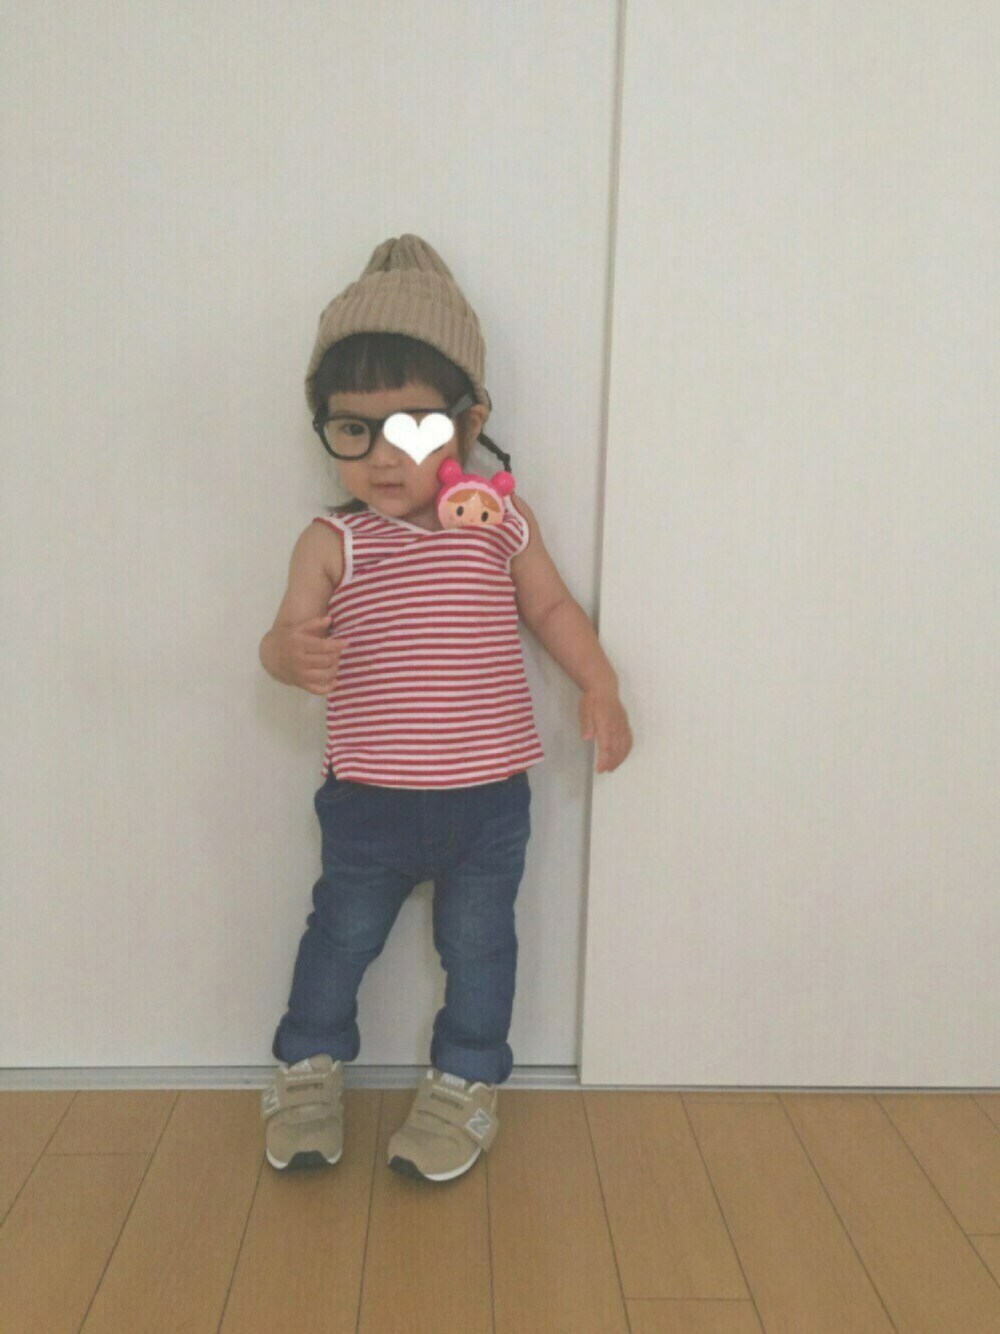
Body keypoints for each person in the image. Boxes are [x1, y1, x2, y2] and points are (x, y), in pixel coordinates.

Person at [259, 234, 633, 1183]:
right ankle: (306, 1065)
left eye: (415, 427)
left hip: (488, 802)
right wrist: (287, 654)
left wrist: (599, 682)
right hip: (368, 802)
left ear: (470, 422)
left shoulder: (502, 524)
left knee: (480, 947)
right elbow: (281, 636)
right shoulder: (331, 540)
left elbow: (551, 608)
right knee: (339, 938)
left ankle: (465, 1080)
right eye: (354, 430)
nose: (385, 457)